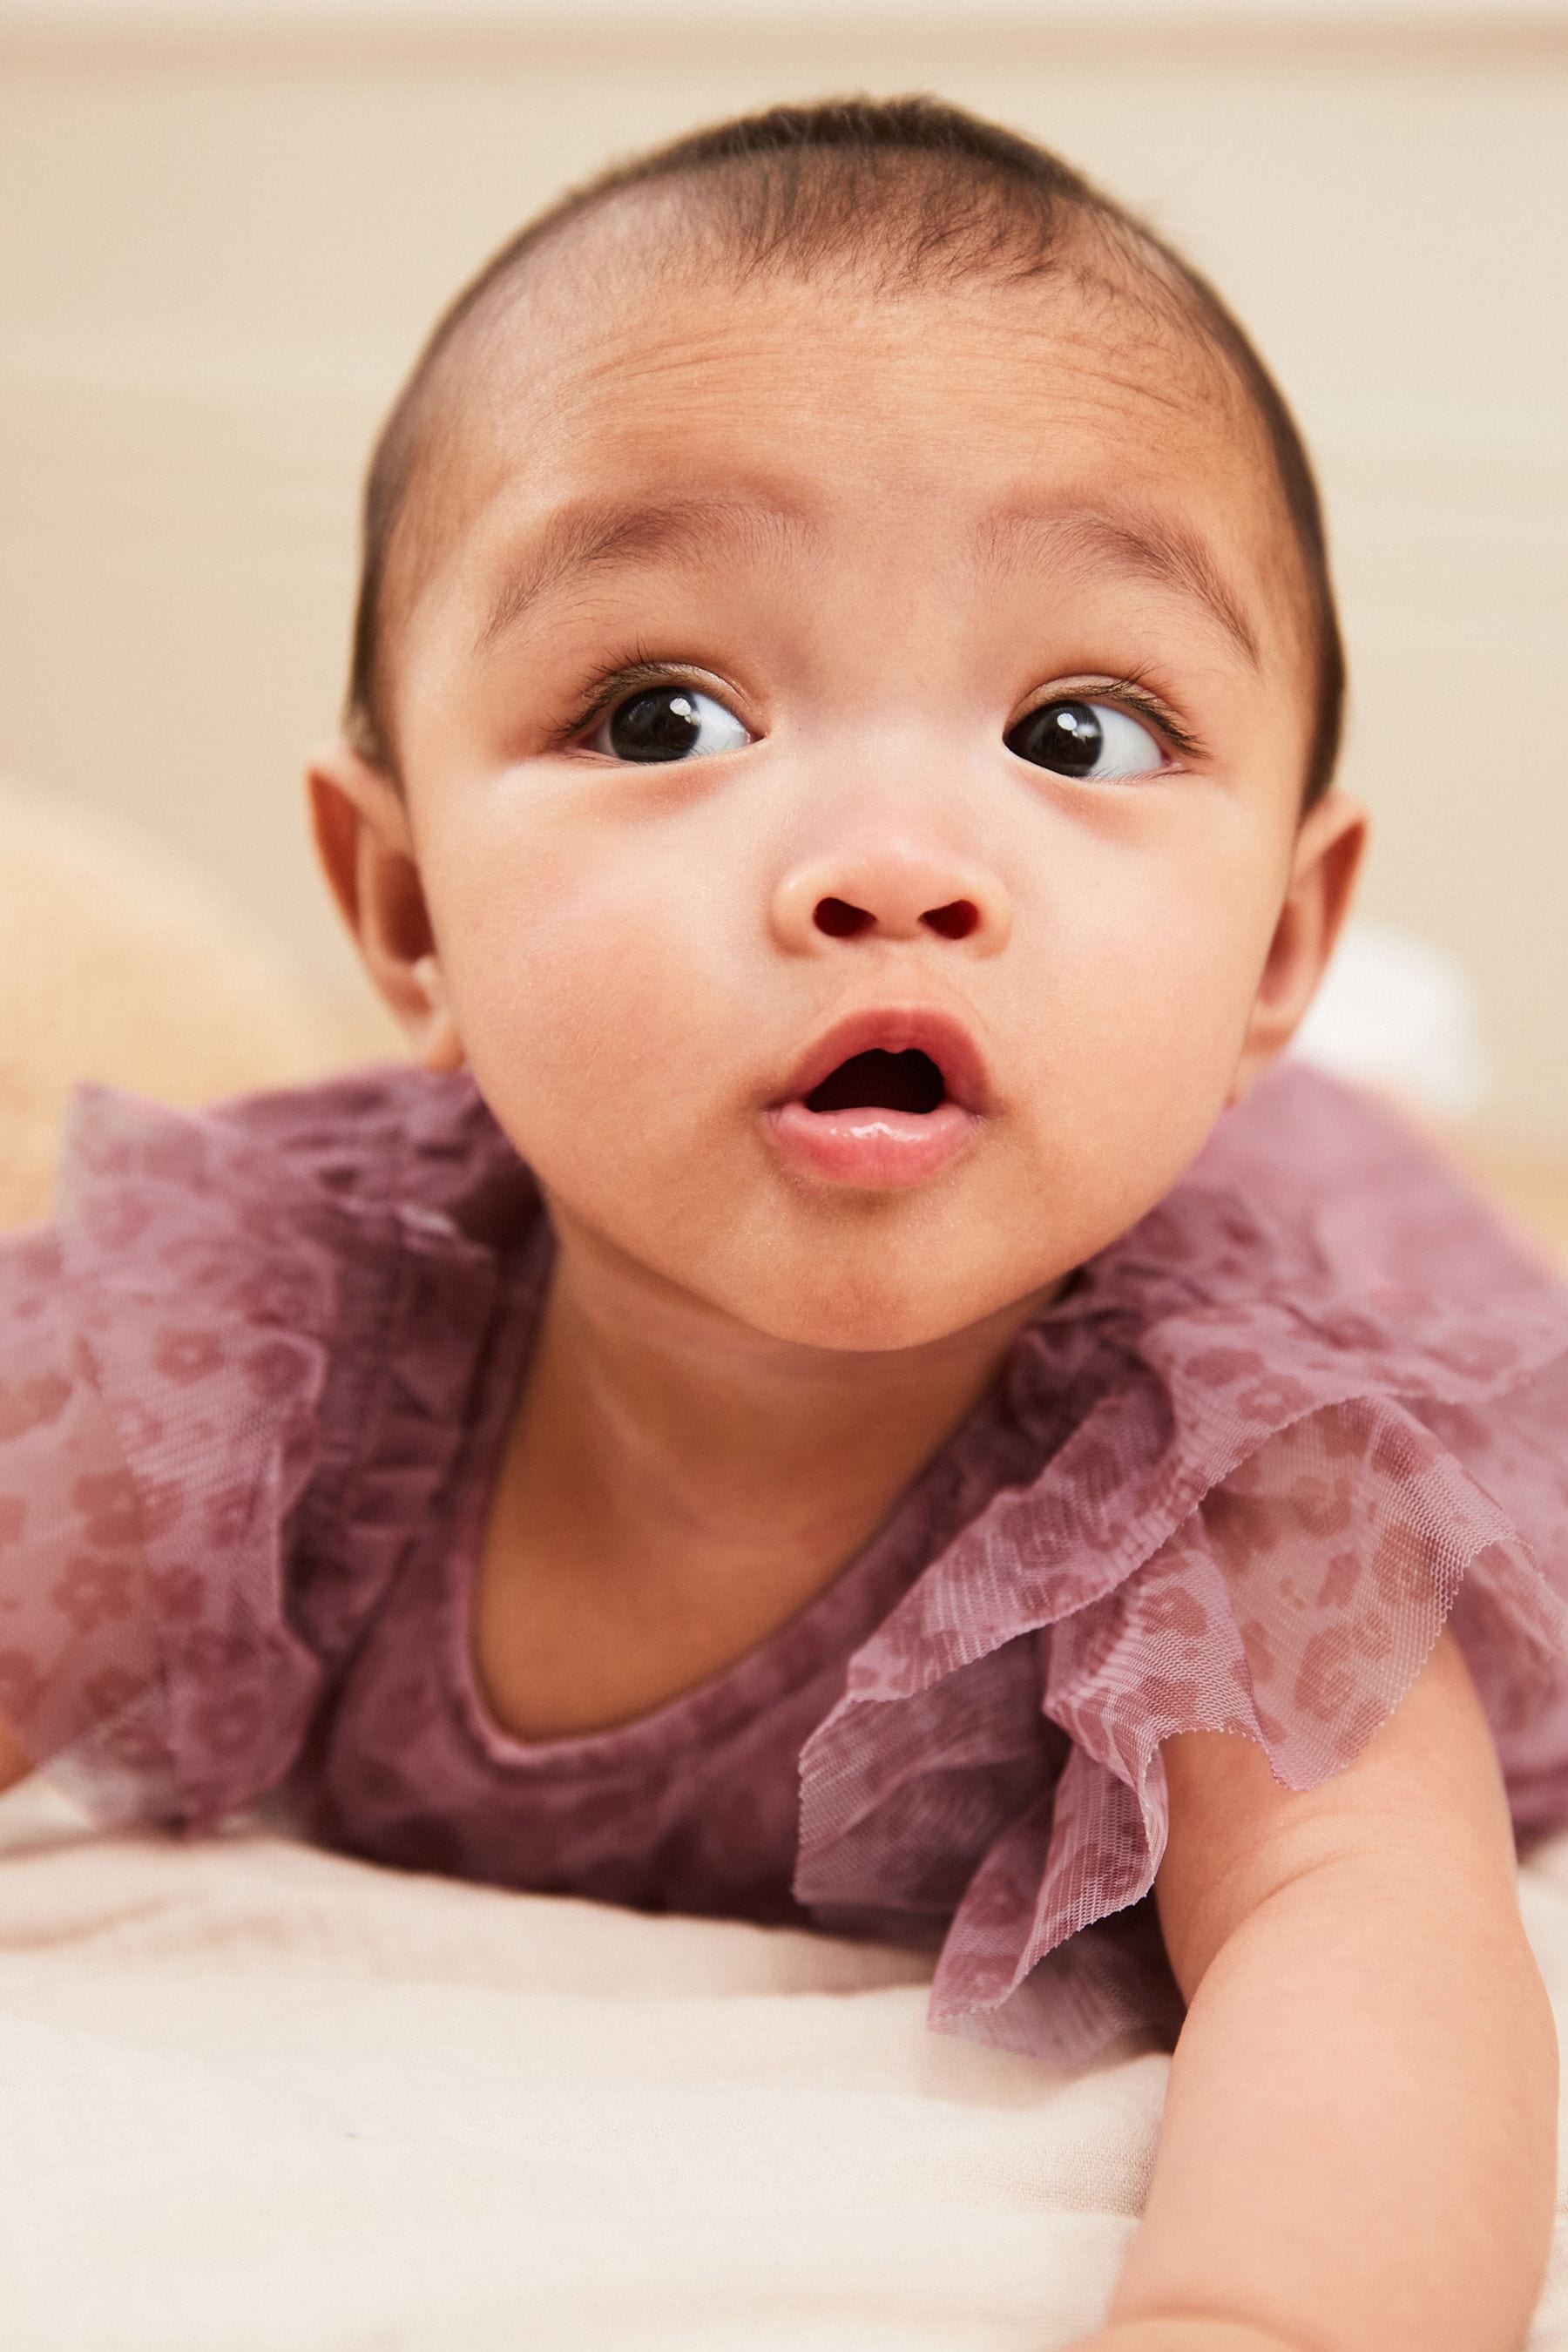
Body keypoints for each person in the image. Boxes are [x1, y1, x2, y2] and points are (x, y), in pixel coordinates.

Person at [2, 96, 1565, 2352]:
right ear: (406, 902)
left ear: (1275, 939)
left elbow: (1381, 1955)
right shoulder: (253, 1331)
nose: (897, 860)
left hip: (1330, 1231)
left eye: (1082, 728)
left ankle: (1379, 1083)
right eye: (666, 712)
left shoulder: (1251, 1469)